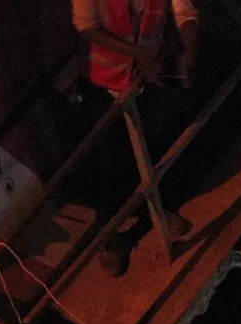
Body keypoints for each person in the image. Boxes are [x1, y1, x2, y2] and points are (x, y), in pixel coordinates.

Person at [71, 0, 199, 275]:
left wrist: (188, 50)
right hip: (102, 83)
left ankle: (151, 210)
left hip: (143, 78)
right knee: (109, 163)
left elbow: (184, 11)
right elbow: (86, 26)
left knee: (141, 152)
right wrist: (138, 53)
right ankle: (109, 237)